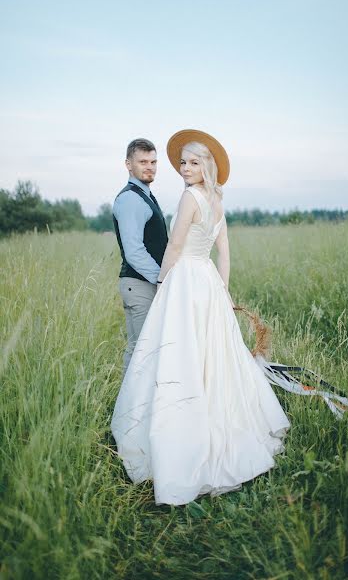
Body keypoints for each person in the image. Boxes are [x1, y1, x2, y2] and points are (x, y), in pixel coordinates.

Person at [111, 129, 290, 506]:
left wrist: (164, 283)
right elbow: (223, 254)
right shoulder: (218, 202)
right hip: (206, 281)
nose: (185, 169)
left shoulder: (191, 196)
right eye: (182, 163)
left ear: (206, 166)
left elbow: (175, 246)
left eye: (193, 162)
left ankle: (180, 435)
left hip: (185, 280)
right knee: (213, 353)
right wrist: (221, 290)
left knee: (177, 352)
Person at [113, 138, 168, 377]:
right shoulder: (130, 199)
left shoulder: (144, 195)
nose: (150, 167)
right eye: (143, 161)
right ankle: (130, 411)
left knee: (146, 350)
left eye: (154, 161)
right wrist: (162, 279)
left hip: (145, 284)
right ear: (128, 164)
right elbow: (134, 251)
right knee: (141, 351)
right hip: (139, 284)